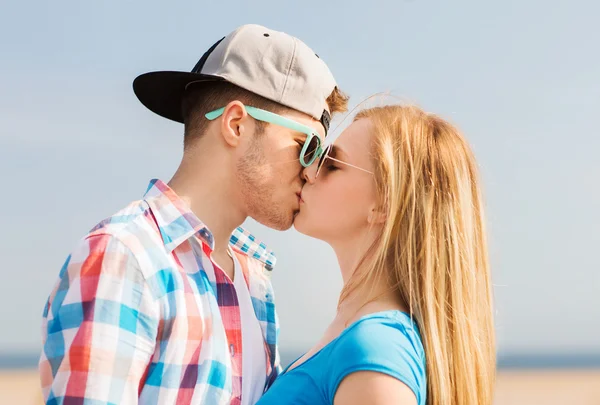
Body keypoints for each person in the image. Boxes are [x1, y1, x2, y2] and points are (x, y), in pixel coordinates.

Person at [38, 24, 348, 405]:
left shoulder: (254, 282)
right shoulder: (125, 258)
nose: (312, 170)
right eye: (307, 146)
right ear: (236, 124)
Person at [256, 104, 496, 405]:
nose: (309, 171)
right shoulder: (362, 337)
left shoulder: (373, 347)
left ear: (385, 204)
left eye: (331, 163)